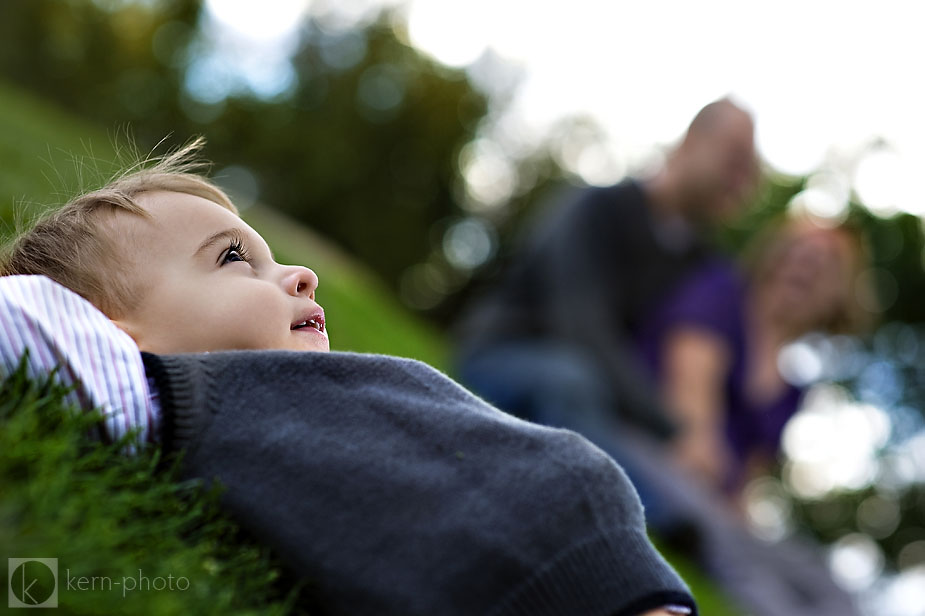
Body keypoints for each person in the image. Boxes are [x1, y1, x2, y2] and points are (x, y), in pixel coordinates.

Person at [0, 139, 695, 616]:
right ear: (114, 333)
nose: (299, 274)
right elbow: (22, 317)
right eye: (234, 258)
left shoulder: (279, 391)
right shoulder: (163, 387)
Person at [456, 97, 758, 440]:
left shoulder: (698, 264)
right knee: (572, 382)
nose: (741, 182)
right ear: (692, 140)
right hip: (506, 353)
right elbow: (580, 329)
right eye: (734, 159)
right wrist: (671, 426)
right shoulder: (597, 207)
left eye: (749, 172)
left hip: (597, 398)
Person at [637, 218, 872, 498]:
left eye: (830, 261)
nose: (810, 261)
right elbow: (688, 407)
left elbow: (747, 483)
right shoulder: (721, 293)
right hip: (640, 449)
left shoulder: (789, 396)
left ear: (838, 295)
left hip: (700, 501)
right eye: (802, 249)